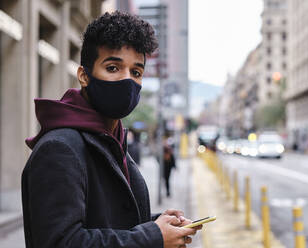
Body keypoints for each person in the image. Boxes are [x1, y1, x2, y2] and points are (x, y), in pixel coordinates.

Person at [21, 11, 200, 248]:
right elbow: (61, 241)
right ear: (84, 76)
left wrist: (159, 226)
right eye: (113, 68)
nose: (127, 80)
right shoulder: (59, 149)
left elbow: (108, 223)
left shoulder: (111, 140)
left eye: (136, 72)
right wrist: (152, 237)